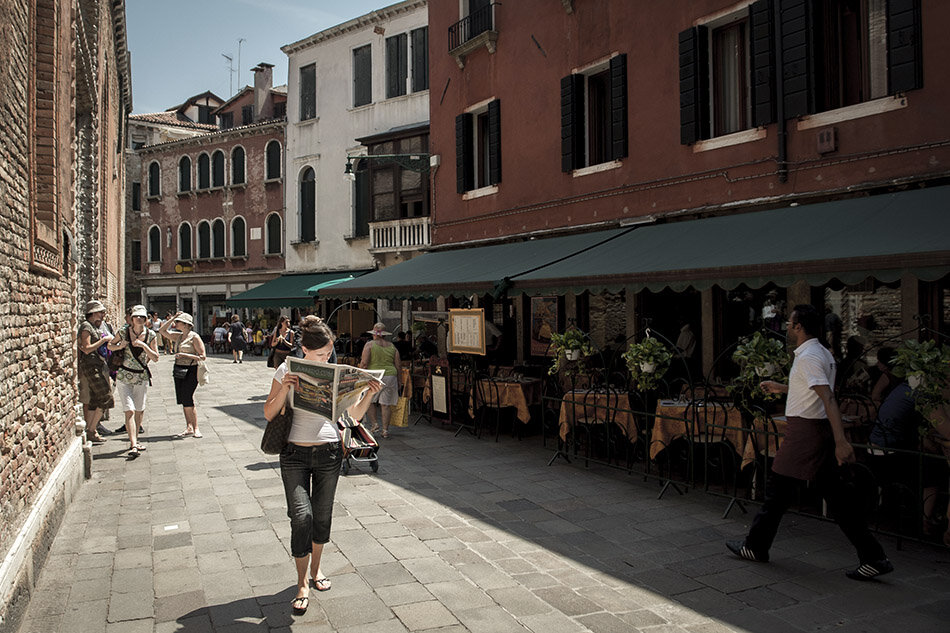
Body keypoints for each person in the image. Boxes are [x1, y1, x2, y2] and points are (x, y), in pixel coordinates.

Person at [726, 304, 892, 581]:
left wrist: (841, 442)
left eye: (790, 324)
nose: (788, 328)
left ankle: (755, 547)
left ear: (799, 327)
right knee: (837, 499)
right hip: (813, 432)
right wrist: (783, 388)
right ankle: (874, 557)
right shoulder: (819, 354)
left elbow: (828, 398)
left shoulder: (810, 357)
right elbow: (815, 391)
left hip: (806, 435)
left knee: (777, 491)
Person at [263, 316, 381, 614]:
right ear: (304, 350)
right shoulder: (285, 369)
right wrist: (284, 388)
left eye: (328, 354)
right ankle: (301, 582)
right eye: (320, 355)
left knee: (322, 517)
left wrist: (367, 392)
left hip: (329, 452)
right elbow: (268, 412)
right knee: (301, 516)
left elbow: (352, 416)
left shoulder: (335, 375)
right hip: (294, 453)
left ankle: (316, 571)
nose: (325, 359)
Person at [107, 305, 159, 457]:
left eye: (142, 317)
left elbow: (156, 357)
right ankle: (133, 444)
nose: (139, 319)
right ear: (132, 319)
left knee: (139, 409)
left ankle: (135, 438)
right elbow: (110, 346)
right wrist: (119, 346)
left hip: (141, 376)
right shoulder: (123, 332)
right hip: (124, 375)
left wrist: (143, 345)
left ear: (146, 319)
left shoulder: (151, 335)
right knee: (128, 409)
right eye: (136, 317)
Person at [159, 312, 206, 438]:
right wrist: (173, 318)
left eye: (178, 322)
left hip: (191, 370)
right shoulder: (179, 336)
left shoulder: (194, 337)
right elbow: (162, 330)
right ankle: (188, 426)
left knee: (188, 397)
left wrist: (185, 355)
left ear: (186, 325)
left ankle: (196, 427)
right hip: (179, 369)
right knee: (183, 399)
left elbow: (202, 356)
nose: (176, 323)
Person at [77, 300, 115, 443]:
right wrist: (104, 340)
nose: (103, 315)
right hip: (91, 366)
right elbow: (86, 348)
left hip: (97, 365)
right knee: (106, 398)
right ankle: (91, 429)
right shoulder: (86, 327)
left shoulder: (94, 326)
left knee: (94, 400)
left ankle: (91, 431)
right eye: (100, 312)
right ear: (93, 313)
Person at [360, 322, 401, 438]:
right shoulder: (393, 347)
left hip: (375, 376)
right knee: (385, 404)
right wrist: (399, 381)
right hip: (390, 377)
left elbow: (364, 363)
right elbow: (398, 365)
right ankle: (385, 431)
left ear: (374, 334)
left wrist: (359, 377)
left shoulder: (369, 345)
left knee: (369, 401)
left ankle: (374, 424)